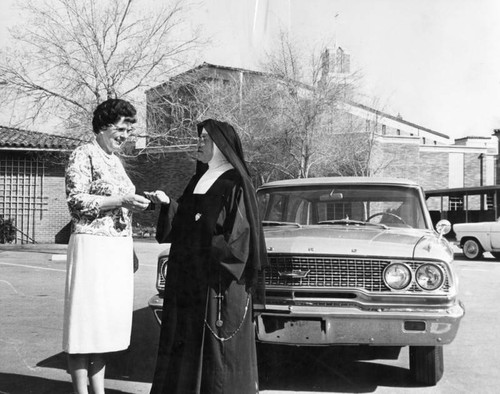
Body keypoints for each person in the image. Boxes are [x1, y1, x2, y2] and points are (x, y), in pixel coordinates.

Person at [146, 119, 267, 394]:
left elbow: (239, 240)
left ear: (221, 146)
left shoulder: (235, 182)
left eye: (204, 139)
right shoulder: (198, 180)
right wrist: (167, 204)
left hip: (216, 282)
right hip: (189, 281)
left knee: (217, 358)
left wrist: (199, 246)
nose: (198, 143)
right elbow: (187, 222)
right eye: (198, 138)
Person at [63, 98, 151, 394]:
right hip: (92, 247)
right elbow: (76, 202)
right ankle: (80, 390)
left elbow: (123, 210)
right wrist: (120, 200)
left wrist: (132, 248)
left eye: (130, 130)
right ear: (103, 126)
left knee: (105, 323)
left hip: (117, 248)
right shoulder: (83, 154)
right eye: (122, 128)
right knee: (84, 320)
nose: (125, 136)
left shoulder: (116, 161)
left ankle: (98, 389)